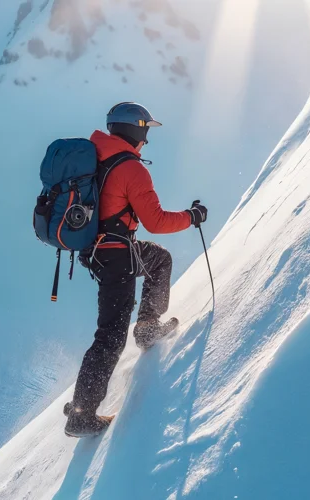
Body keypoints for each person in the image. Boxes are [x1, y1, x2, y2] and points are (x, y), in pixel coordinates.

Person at [64, 102, 208, 437]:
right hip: (116, 256)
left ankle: (146, 326)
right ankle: (82, 415)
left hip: (96, 250)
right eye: (145, 131)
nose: (146, 140)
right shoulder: (131, 168)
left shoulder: (93, 154)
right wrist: (191, 216)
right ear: (135, 130)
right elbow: (155, 222)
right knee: (111, 336)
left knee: (159, 260)